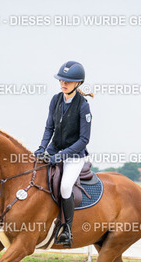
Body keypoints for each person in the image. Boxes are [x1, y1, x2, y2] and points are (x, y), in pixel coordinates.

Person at [33, 60, 94, 247]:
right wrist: (42, 148)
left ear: (78, 83)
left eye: (68, 81)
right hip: (54, 149)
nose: (63, 83)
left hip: (74, 155)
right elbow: (49, 127)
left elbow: (84, 139)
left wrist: (60, 156)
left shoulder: (83, 106)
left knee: (65, 187)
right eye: (61, 80)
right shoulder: (55, 99)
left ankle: (66, 229)